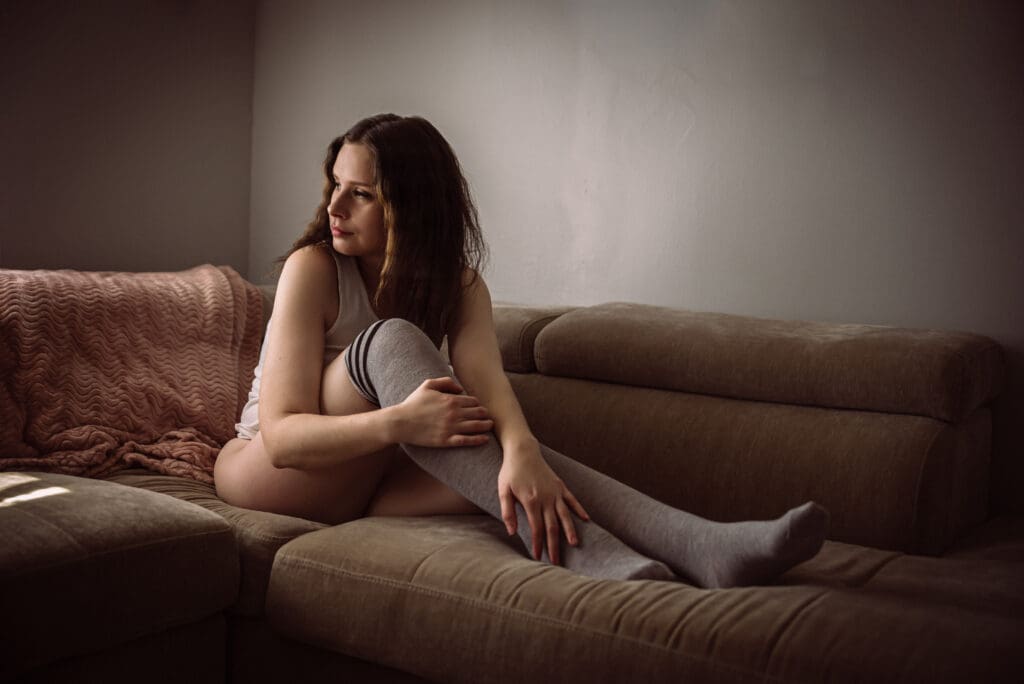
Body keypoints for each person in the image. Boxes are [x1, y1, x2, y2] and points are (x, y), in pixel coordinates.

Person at [213, 113, 828, 587]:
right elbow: (286, 438)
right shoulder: (313, 268)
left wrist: (522, 451)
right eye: (335, 186)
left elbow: (487, 385)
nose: (334, 208)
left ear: (412, 207)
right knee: (394, 341)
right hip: (270, 471)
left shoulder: (459, 284)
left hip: (369, 480)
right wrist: (403, 422)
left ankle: (703, 546)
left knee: (517, 474)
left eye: (362, 194)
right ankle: (602, 560)